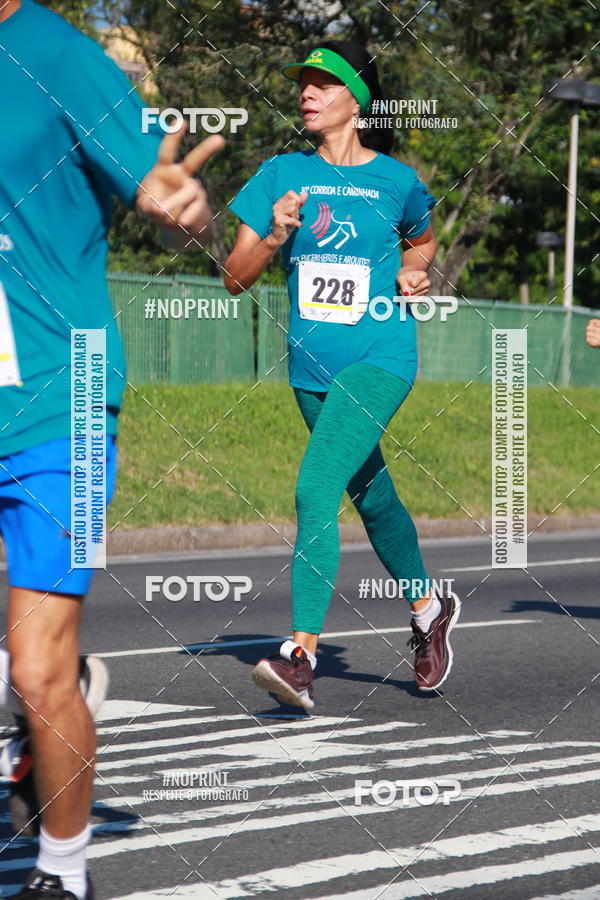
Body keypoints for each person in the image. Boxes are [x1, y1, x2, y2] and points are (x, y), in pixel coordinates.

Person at [0, 1, 223, 897]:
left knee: (41, 669)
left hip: (69, 399)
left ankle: (64, 870)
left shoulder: (57, 54)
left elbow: (162, 186)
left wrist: (181, 208)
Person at [225, 41, 460, 711]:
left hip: (382, 357)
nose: (306, 91)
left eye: (322, 83)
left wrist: (415, 272)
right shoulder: (279, 175)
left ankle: (300, 655)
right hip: (309, 370)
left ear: (356, 99)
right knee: (371, 494)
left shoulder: (397, 179)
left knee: (316, 485)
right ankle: (427, 607)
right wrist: (273, 237)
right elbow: (235, 280)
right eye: (302, 82)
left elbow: (422, 238)